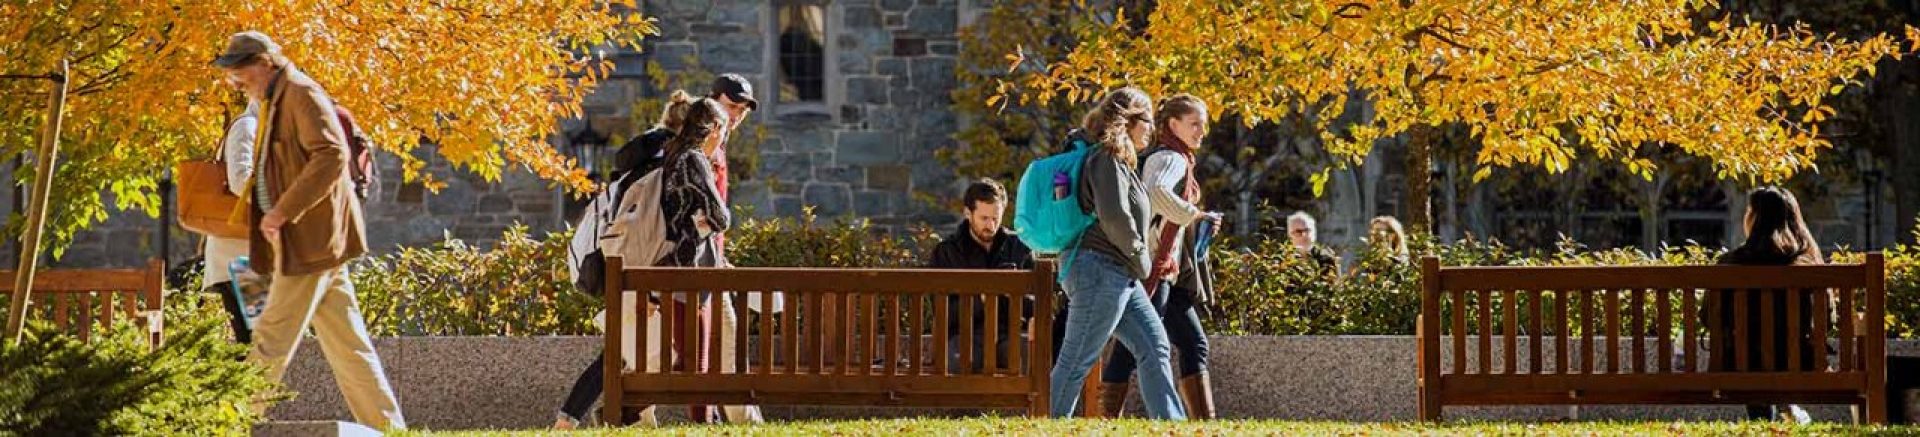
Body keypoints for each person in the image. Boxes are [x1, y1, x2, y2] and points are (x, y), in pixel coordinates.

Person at [214, 31, 405, 430]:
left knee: (269, 338)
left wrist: (282, 212)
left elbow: (331, 156)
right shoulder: (275, 98)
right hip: (315, 243)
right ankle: (389, 430)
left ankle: (229, 427)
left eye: (240, 73)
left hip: (309, 242)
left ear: (264, 63)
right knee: (350, 348)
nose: (236, 81)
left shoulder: (300, 93)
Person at [553, 91, 696, 429]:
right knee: (632, 352)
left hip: (618, 266)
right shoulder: (664, 169)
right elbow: (654, 230)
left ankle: (623, 418)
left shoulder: (638, 159)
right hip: (639, 273)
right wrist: (649, 289)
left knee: (629, 351)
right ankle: (588, 418)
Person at [1049, 87, 1186, 420]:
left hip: (1117, 272)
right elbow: (1114, 217)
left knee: (1155, 346)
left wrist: (1136, 263)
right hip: (1098, 269)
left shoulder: (1120, 161)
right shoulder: (1106, 156)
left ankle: (1172, 425)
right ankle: (1046, 425)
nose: (1152, 130)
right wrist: (1142, 258)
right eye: (1149, 121)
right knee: (1076, 359)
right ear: (1130, 120)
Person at [1098, 94, 1221, 419]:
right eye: (1195, 124)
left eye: (1203, 125)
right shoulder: (1171, 158)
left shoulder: (1174, 157)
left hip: (1168, 270)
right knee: (1135, 346)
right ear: (1173, 124)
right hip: (1156, 267)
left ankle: (1203, 423)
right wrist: (1194, 215)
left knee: (1192, 343)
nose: (1201, 132)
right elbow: (1156, 192)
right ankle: (1109, 420)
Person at [1712, 187, 1822, 423]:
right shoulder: (1807, 266)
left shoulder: (1729, 264)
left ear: (1752, 217)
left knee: (1751, 353)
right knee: (1776, 353)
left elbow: (1710, 317)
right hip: (1798, 363)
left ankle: (1764, 420)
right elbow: (1826, 320)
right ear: (1793, 220)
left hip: (1741, 365)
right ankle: (1783, 410)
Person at [656, 97, 734, 423]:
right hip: (692, 265)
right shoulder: (695, 159)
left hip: (670, 262)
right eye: (723, 133)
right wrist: (704, 220)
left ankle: (631, 409)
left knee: (686, 353)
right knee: (697, 353)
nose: (722, 141)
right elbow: (721, 217)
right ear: (713, 128)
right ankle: (703, 424)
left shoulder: (672, 154)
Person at [928, 178, 1035, 373]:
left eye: (996, 218)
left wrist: (1019, 300)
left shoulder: (1018, 247)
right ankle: (967, 405)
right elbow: (942, 312)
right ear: (968, 213)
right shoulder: (947, 252)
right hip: (963, 335)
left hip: (1006, 334)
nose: (991, 225)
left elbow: (1035, 300)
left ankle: (1028, 405)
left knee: (1029, 355)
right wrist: (983, 297)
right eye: (984, 218)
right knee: (962, 359)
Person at [205, 101, 259, 344]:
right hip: (240, 259)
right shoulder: (248, 127)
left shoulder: (261, 128)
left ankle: (252, 383)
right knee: (257, 342)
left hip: (246, 257)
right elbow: (239, 181)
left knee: (256, 342)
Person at [1287, 212, 1339, 276]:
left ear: (1314, 233)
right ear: (1290, 235)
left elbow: (1336, 284)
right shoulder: (1284, 262)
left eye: (1307, 230)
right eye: (1298, 231)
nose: (1304, 235)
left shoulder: (1327, 259)